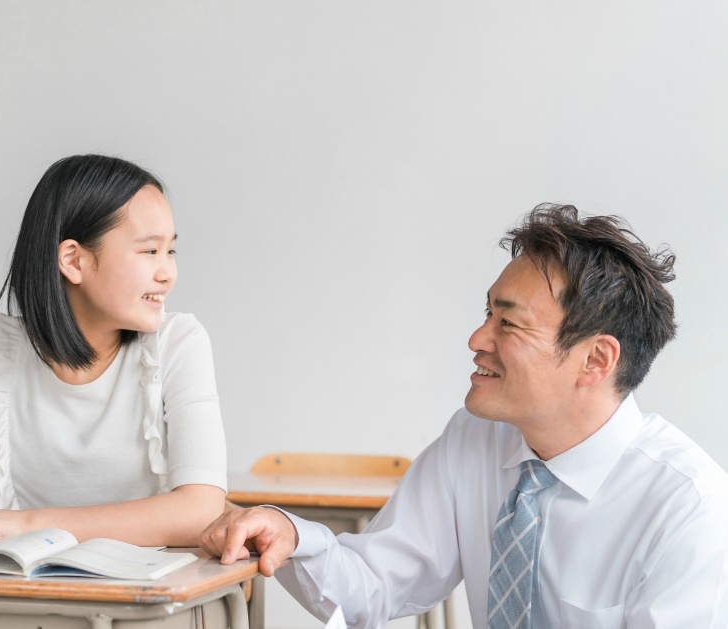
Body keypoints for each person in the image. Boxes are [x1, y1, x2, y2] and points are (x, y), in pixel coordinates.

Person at [201, 205, 728, 629]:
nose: (478, 340)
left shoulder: (690, 509)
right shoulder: (477, 439)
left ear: (595, 359)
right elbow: (376, 585)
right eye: (486, 314)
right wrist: (291, 535)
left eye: (509, 323)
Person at [0, 154, 227, 552]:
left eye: (170, 251)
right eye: (149, 252)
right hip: (42, 597)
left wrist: (26, 524)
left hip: (150, 594)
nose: (168, 273)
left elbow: (201, 511)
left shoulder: (179, 343)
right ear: (74, 260)